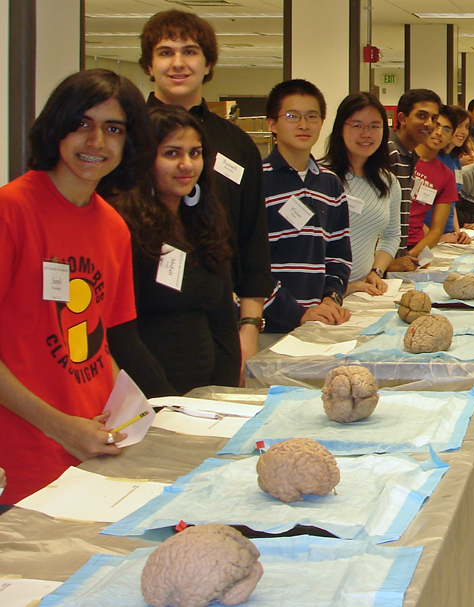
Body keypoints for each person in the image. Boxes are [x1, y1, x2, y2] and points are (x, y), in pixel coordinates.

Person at [0, 69, 176, 504]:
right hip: (24, 459)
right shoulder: (12, 211)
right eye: (82, 123)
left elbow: (98, 348)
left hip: (95, 451)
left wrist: (135, 418)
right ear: (56, 127)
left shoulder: (113, 227)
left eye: (113, 129)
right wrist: (60, 426)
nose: (96, 141)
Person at [139, 10, 271, 368]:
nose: (178, 63)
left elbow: (252, 238)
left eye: (190, 51)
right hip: (141, 320)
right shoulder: (128, 138)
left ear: (208, 64)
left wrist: (248, 327)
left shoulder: (237, 145)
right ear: (148, 64)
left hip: (217, 321)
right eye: (165, 52)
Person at [113, 106, 239, 394]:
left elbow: (224, 324)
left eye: (194, 153)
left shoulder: (205, 223)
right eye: (172, 153)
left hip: (207, 399)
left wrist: (224, 395)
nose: (187, 165)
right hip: (149, 397)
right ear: (145, 159)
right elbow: (121, 335)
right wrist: (167, 403)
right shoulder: (124, 227)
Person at [261, 79, 351, 333]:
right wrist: (296, 313)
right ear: (272, 123)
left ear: (322, 122)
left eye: (312, 116)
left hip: (319, 322)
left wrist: (331, 299)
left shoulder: (330, 183)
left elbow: (338, 252)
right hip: (270, 326)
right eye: (292, 116)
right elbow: (248, 265)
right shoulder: (256, 180)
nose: (303, 125)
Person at [321, 92, 403, 298]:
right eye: (357, 125)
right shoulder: (320, 178)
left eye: (375, 126)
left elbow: (392, 235)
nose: (367, 134)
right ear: (341, 128)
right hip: (318, 294)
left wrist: (376, 270)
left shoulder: (389, 182)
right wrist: (340, 288)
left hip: (362, 292)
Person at [387, 89, 442, 270]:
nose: (429, 124)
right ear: (402, 118)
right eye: (421, 116)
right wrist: (383, 263)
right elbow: (373, 216)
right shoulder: (389, 152)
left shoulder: (408, 155)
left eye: (434, 119)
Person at [406, 108, 459, 259]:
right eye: (436, 125)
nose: (439, 132)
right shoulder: (400, 158)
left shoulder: (446, 175)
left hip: (415, 246)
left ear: (450, 138)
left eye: (446, 130)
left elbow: (436, 231)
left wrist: (411, 256)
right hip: (380, 245)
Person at [432, 105, 470, 244]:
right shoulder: (432, 157)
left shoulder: (455, 161)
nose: (463, 131)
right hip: (427, 234)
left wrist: (458, 231)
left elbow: (451, 201)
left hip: (447, 235)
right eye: (459, 125)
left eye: (467, 126)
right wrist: (436, 237)